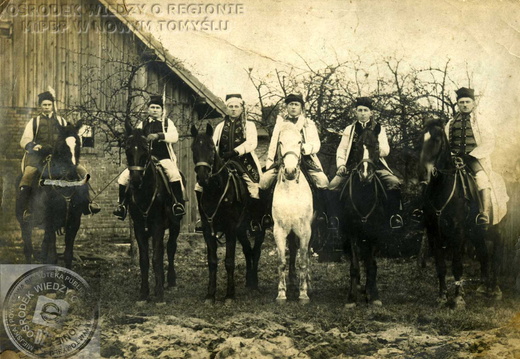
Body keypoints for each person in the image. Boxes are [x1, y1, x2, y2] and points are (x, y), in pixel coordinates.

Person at [17, 91, 100, 220]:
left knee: (82, 171)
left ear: (52, 105)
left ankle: (88, 203)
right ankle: (26, 209)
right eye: (44, 105)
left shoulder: (61, 121)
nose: (46, 107)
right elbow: (25, 139)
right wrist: (33, 146)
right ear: (40, 106)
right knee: (28, 174)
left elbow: (70, 134)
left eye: (49, 105)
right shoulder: (34, 122)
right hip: (39, 156)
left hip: (59, 156)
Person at [329, 97, 403, 229]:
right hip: (353, 166)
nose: (363, 113)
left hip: (375, 165)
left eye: (365, 110)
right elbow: (342, 149)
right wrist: (341, 165)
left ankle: (394, 216)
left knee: (394, 182)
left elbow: (386, 150)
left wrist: (371, 150)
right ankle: (334, 218)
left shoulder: (379, 128)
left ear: (371, 113)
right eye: (360, 110)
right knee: (332, 186)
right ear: (355, 112)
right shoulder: (350, 129)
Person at [196, 93, 266, 231]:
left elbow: (252, 143)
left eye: (236, 106)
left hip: (244, 161)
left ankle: (255, 220)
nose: (233, 109)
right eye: (230, 106)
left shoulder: (249, 125)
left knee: (254, 187)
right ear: (227, 108)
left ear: (241, 108)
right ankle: (204, 218)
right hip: (223, 161)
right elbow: (214, 145)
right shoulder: (220, 126)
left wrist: (235, 151)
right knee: (199, 186)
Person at [260, 94, 332, 226]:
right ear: (286, 107)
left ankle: (323, 215)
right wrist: (270, 162)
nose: (293, 107)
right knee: (264, 181)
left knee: (323, 180)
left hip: (306, 160)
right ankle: (265, 215)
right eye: (290, 104)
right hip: (283, 160)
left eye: (296, 104)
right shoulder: (281, 124)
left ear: (301, 108)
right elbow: (273, 144)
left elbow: (316, 144)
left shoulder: (308, 123)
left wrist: (304, 148)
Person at [113, 95, 185, 220]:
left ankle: (177, 204)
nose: (155, 110)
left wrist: (159, 136)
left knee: (174, 174)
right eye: (152, 107)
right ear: (148, 109)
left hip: (163, 158)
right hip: (144, 160)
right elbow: (136, 137)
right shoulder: (143, 124)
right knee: (123, 177)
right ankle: (122, 206)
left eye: (157, 108)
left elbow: (175, 137)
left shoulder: (167, 123)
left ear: (162, 110)